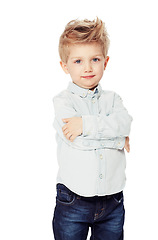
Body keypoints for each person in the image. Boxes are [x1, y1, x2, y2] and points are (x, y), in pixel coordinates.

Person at [52, 17, 132, 240]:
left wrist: (85, 124)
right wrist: (117, 141)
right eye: (78, 61)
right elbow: (79, 142)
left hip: (113, 202)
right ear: (64, 66)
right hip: (73, 202)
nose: (87, 67)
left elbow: (125, 123)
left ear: (105, 62)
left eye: (95, 59)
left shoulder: (113, 99)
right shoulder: (63, 102)